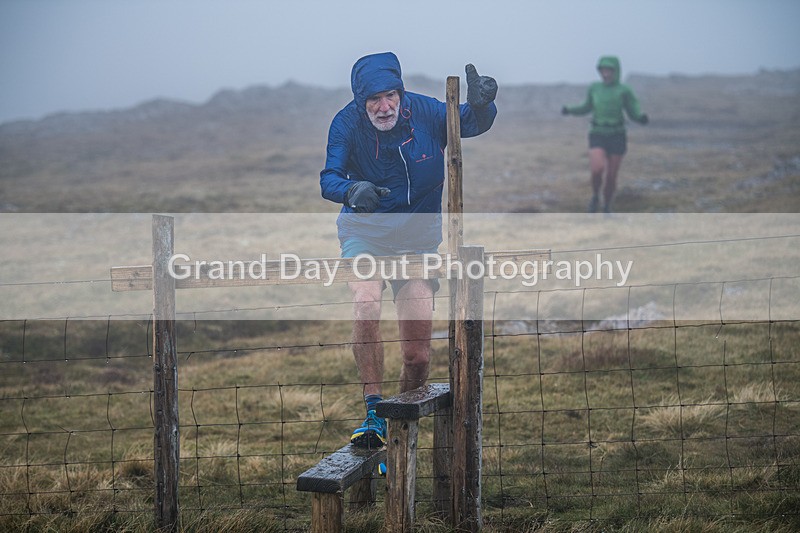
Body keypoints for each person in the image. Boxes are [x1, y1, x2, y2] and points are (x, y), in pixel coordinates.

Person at [320, 52, 497, 449]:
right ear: (360, 102)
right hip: (365, 233)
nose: (384, 107)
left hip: (417, 242)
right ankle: (372, 412)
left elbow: (466, 121)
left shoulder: (426, 112)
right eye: (373, 101)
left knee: (417, 356)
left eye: (390, 96)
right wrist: (351, 189)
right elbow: (328, 177)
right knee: (366, 301)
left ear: (400, 93)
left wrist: (484, 107)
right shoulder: (346, 124)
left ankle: (396, 427)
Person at [562, 56, 649, 213]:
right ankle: (595, 195)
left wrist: (640, 117)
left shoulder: (624, 90)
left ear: (616, 71)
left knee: (611, 176)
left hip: (617, 135)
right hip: (598, 133)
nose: (606, 73)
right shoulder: (595, 88)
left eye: (609, 70)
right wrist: (570, 109)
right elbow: (586, 106)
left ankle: (607, 205)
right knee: (597, 169)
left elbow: (633, 109)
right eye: (603, 70)